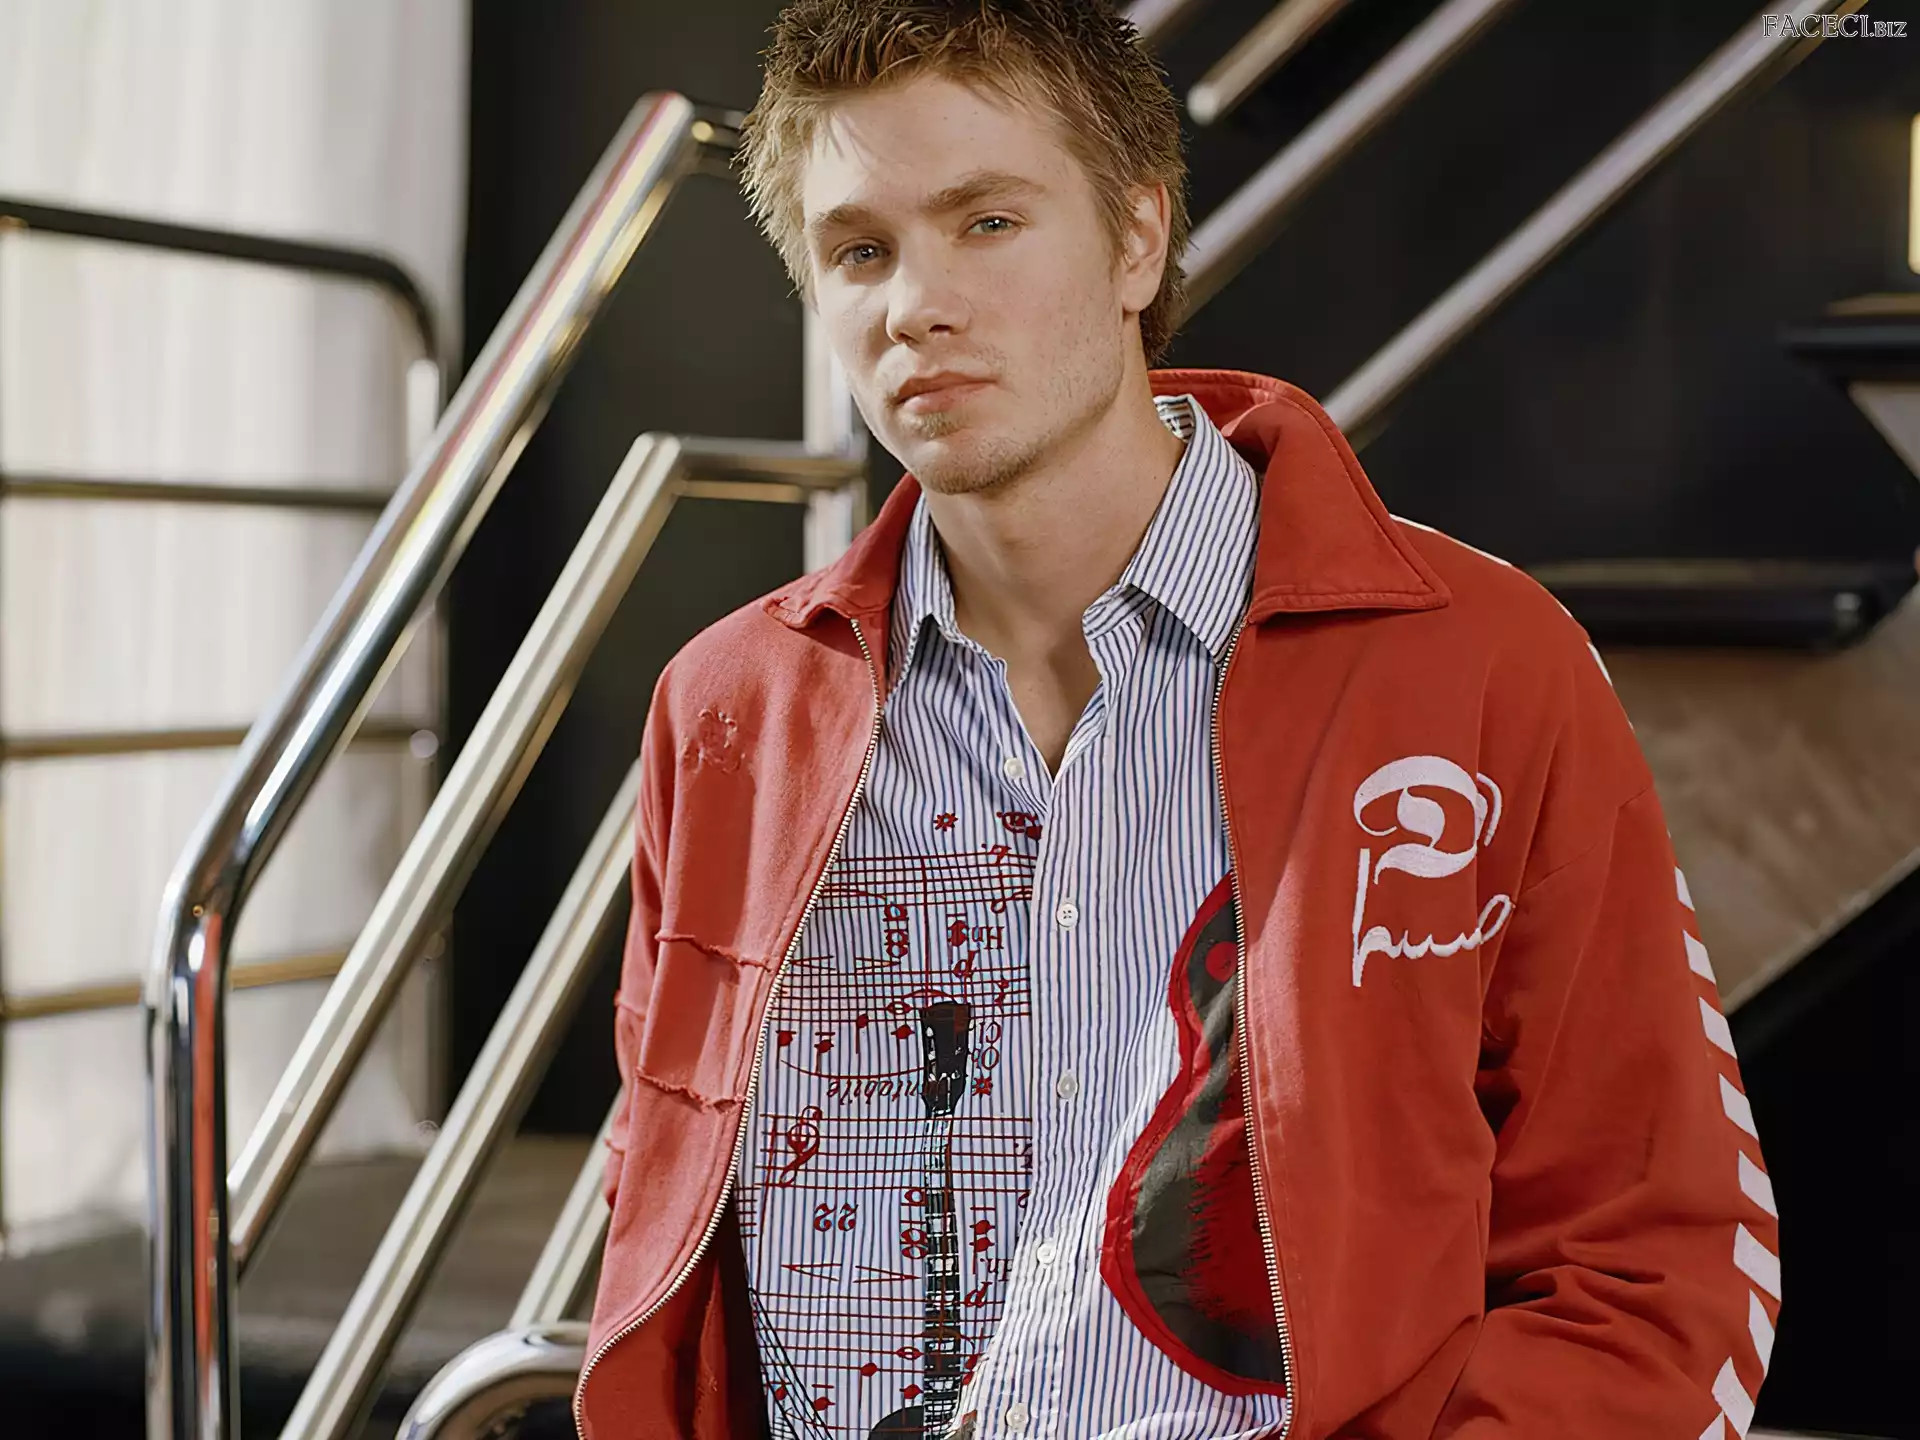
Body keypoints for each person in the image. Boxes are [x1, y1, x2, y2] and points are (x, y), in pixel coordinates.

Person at [575, 2, 1780, 1436]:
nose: (916, 305)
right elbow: (661, 1209)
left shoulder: (1474, 663)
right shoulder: (731, 711)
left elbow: (1660, 1259)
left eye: (987, 222)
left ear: (1137, 240)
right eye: (860, 250)